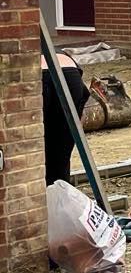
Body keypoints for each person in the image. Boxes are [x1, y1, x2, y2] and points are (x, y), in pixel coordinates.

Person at [42, 52, 90, 185]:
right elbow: (84, 96)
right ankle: (60, 195)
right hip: (70, 70)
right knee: (60, 157)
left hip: (37, 73)